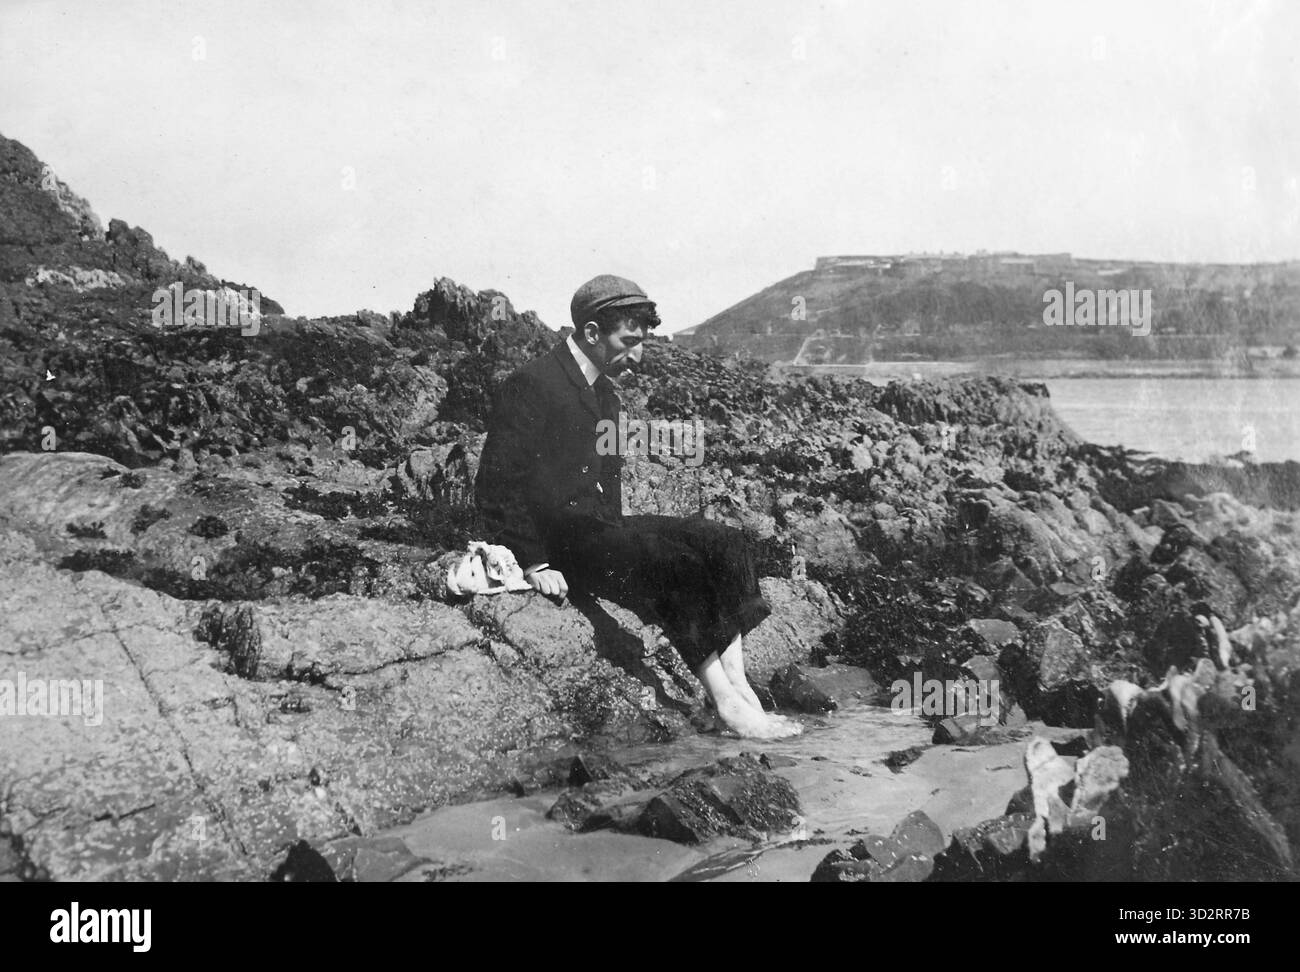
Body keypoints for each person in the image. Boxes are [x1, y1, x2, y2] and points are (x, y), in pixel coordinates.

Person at [474, 274, 802, 740]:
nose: (638, 355)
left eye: (642, 342)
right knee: (675, 564)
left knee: (725, 542)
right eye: (628, 341)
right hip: (559, 544)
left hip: (599, 528)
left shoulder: (605, 392)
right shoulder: (531, 385)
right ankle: (725, 703)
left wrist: (627, 535)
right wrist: (534, 561)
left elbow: (607, 478)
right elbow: (496, 485)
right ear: (591, 333)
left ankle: (740, 685)